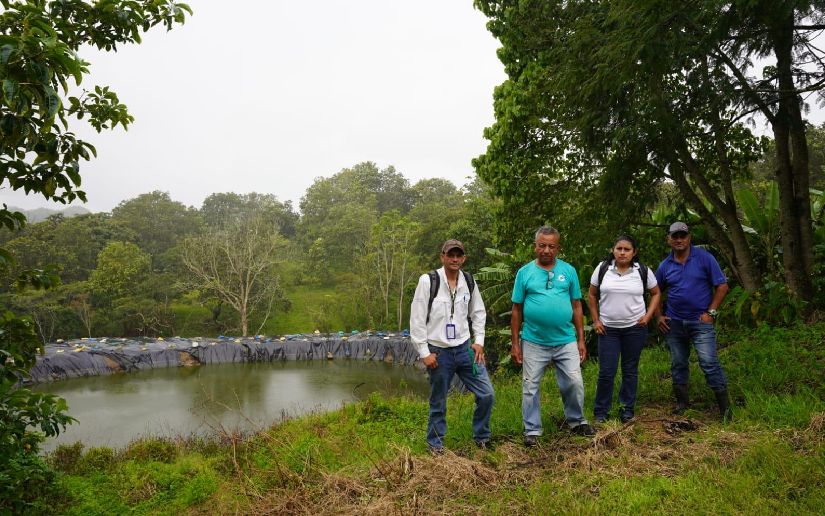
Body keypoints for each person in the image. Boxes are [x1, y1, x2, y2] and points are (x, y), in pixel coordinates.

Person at [511, 226, 595, 446]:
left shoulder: (568, 271)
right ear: (535, 246)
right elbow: (516, 310)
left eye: (551, 246)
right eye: (542, 245)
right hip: (533, 340)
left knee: (574, 382)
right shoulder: (524, 273)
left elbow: (577, 306)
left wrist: (580, 339)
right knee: (530, 386)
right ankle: (532, 431)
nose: (546, 250)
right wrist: (515, 343)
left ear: (558, 248)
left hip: (565, 339)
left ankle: (577, 421)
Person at [410, 239, 494, 453]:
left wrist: (479, 341)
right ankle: (435, 444)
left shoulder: (469, 280)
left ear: (463, 258)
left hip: (466, 349)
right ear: (443, 257)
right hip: (439, 353)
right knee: (438, 401)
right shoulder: (428, 281)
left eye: (459, 255)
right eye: (451, 255)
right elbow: (417, 319)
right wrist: (424, 352)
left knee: (486, 394)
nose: (455, 259)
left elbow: (478, 312)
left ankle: (482, 437)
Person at [655, 222, 732, 419]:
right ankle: (682, 403)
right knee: (678, 362)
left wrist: (711, 312)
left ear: (689, 238)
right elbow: (655, 292)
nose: (679, 239)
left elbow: (722, 286)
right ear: (669, 239)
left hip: (701, 322)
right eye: (675, 236)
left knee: (708, 362)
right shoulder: (665, 266)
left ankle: (725, 410)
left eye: (683, 235)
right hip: (675, 323)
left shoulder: (704, 258)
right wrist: (658, 315)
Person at [588, 235, 661, 424]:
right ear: (613, 250)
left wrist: (648, 316)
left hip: (634, 329)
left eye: (627, 249)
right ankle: (601, 412)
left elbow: (655, 293)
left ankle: (626, 410)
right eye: (619, 248)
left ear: (634, 252)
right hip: (608, 330)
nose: (622, 252)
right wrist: (596, 321)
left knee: (630, 370)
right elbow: (592, 294)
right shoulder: (603, 268)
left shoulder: (642, 271)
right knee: (606, 371)